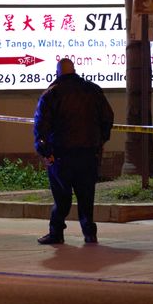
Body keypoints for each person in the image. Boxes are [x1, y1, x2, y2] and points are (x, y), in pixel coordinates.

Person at [33, 58, 114, 245]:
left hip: (61, 155)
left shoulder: (51, 94)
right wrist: (100, 141)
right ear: (74, 70)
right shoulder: (93, 90)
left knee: (62, 197)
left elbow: (41, 126)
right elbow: (107, 118)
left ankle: (56, 233)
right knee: (86, 196)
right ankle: (89, 234)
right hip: (88, 154)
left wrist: (45, 151)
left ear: (57, 72)